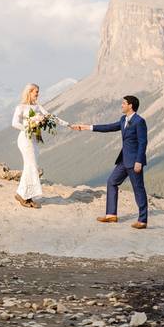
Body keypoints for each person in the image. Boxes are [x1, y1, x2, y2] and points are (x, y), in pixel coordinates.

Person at [71, 95, 148, 229]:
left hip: (134, 161)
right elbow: (108, 127)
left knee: (138, 189)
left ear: (130, 105)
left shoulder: (139, 121)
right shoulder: (123, 119)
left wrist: (139, 161)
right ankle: (111, 214)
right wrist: (86, 127)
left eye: (124, 103)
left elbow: (143, 142)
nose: (122, 105)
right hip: (123, 160)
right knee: (111, 182)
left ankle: (142, 220)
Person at [12, 83, 67, 209]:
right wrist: (28, 127)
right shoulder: (21, 107)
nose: (38, 94)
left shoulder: (38, 107)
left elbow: (51, 117)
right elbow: (14, 123)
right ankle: (25, 196)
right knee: (31, 166)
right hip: (25, 139)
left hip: (35, 140)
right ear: (29, 92)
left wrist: (68, 124)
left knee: (30, 166)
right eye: (36, 91)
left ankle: (23, 194)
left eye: (38, 91)